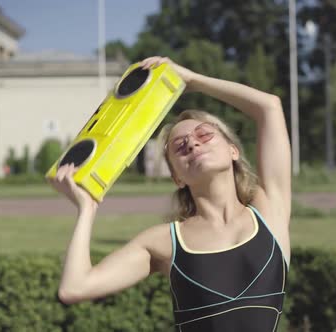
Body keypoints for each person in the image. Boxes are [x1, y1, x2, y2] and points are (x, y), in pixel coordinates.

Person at [50, 56, 291, 332]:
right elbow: (74, 288)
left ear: (233, 150)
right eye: (179, 145)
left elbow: (269, 106)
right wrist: (87, 209)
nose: (192, 142)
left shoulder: (270, 210)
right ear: (177, 177)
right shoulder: (165, 241)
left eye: (204, 134)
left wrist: (192, 80)